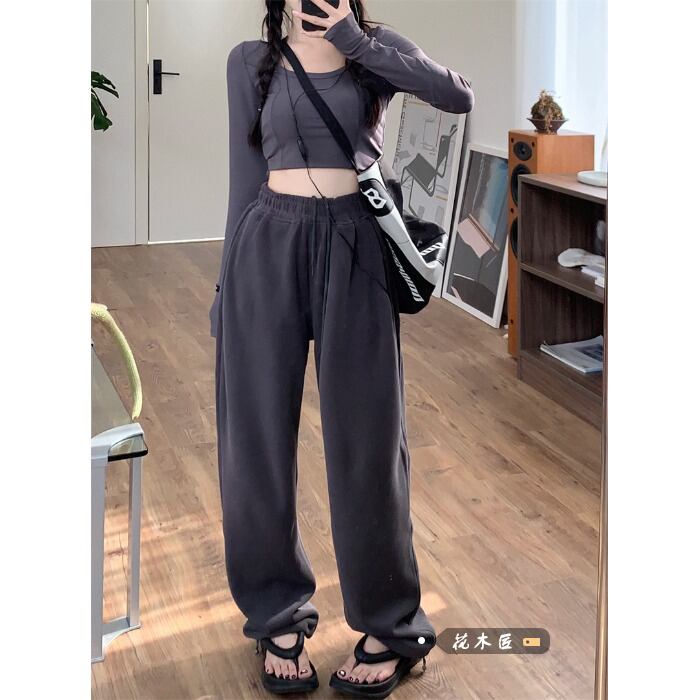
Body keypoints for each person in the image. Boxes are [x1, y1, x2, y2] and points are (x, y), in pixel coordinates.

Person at [209, 1, 474, 696]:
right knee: (256, 442)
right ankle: (277, 615)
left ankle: (392, 626)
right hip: (267, 245)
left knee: (369, 441)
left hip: (355, 247)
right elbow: (243, 178)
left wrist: (356, 41)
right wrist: (224, 287)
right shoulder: (250, 61)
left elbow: (456, 96)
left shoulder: (372, 48)